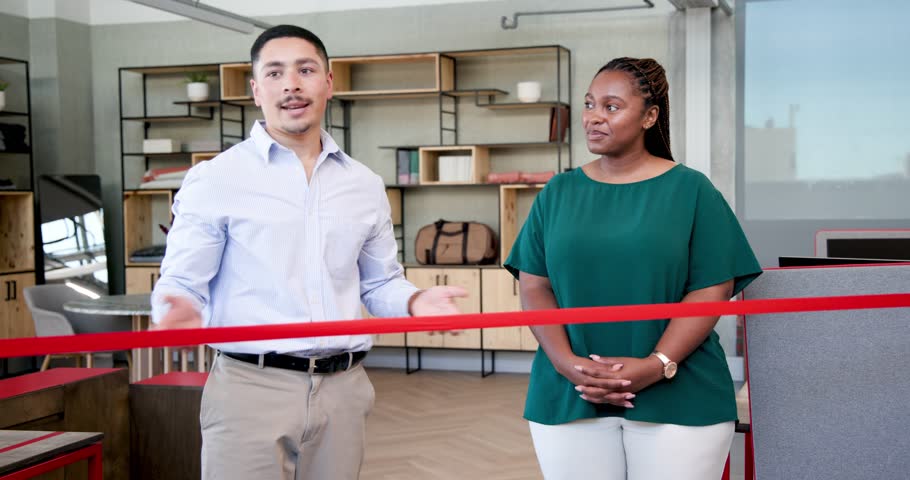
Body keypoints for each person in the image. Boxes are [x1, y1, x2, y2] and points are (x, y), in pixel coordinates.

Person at [150, 25, 467, 480]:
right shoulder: (215, 179)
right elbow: (181, 283)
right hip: (250, 388)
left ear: (328, 82)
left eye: (305, 70)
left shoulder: (364, 184)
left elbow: (379, 283)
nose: (291, 84)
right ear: (256, 90)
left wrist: (415, 301)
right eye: (275, 73)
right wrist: (176, 307)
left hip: (344, 389)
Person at [504, 57, 762, 480]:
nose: (593, 118)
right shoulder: (559, 192)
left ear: (650, 116)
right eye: (589, 105)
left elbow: (712, 288)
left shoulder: (691, 189)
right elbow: (535, 286)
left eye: (610, 106)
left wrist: (658, 363)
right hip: (570, 392)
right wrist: (567, 362)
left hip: (681, 392)